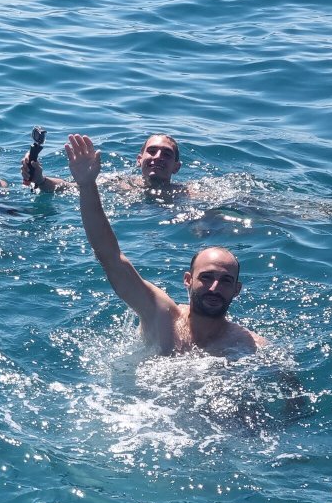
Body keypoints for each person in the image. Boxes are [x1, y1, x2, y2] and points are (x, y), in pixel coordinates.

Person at [65, 133, 264, 356]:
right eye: (206, 277)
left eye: (226, 281)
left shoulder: (250, 346)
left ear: (237, 290)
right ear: (188, 280)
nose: (214, 288)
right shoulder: (160, 316)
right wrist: (87, 185)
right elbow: (110, 257)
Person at [22, 132, 185, 194]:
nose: (157, 157)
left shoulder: (186, 194)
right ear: (139, 160)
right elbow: (71, 186)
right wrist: (41, 180)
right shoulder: (120, 183)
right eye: (152, 151)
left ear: (176, 167)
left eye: (166, 154)